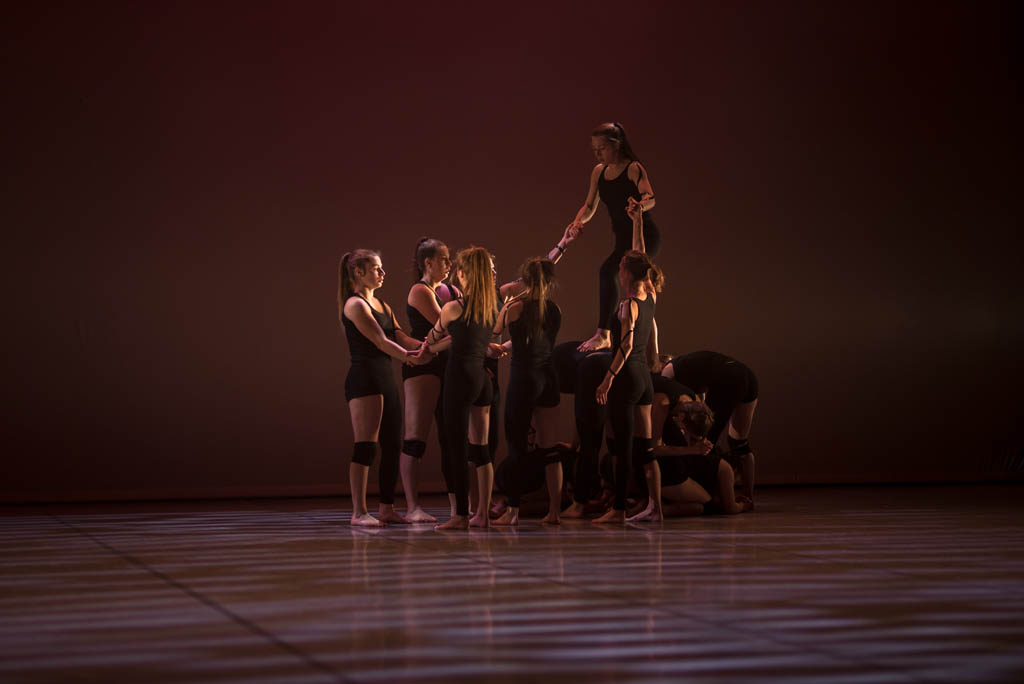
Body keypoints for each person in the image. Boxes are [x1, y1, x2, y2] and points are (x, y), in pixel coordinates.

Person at [338, 249, 428, 526]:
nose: (383, 273)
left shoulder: (382, 305)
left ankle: (386, 508)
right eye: (377, 268)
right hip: (365, 379)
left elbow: (400, 337)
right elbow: (380, 341)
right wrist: (411, 358)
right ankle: (359, 512)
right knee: (366, 447)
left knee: (392, 445)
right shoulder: (355, 305)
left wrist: (430, 346)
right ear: (358, 272)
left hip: (385, 378)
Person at [421, 247, 505, 530]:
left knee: (456, 447)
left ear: (463, 273)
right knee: (481, 450)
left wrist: (431, 343)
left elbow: (433, 339)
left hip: (460, 379)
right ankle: (483, 514)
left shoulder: (453, 308)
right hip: (483, 380)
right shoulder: (492, 306)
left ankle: (460, 516)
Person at [567, 122, 660, 353]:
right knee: (629, 285)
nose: (597, 154)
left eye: (602, 149)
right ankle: (613, 337)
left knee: (633, 286)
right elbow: (589, 206)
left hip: (643, 236)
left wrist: (640, 206)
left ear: (617, 145)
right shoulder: (599, 172)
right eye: (594, 150)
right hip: (622, 240)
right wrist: (577, 221)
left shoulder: (633, 168)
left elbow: (650, 197)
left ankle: (606, 335)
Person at [491, 257, 563, 526]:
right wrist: (509, 346)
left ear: (525, 280)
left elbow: (495, 330)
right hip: (548, 377)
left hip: (525, 379)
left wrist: (505, 307)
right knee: (551, 449)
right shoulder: (554, 309)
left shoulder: (515, 307)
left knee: (516, 444)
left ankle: (512, 512)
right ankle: (554, 512)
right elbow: (531, 339)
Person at [593, 250, 661, 523]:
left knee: (622, 448)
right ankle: (656, 507)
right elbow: (641, 253)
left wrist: (607, 379)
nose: (618, 273)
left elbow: (627, 345)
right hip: (644, 379)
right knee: (646, 449)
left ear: (628, 274)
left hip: (627, 377)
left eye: (621, 268)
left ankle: (618, 509)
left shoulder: (628, 305)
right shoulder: (651, 296)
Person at [399, 238, 461, 523]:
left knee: (450, 438)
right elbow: (448, 326)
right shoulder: (420, 291)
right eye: (444, 259)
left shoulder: (449, 290)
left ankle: (457, 507)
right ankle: (413, 507)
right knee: (415, 439)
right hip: (424, 367)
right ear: (428, 262)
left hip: (446, 365)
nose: (449, 264)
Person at [661, 351, 759, 501]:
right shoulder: (693, 369)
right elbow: (700, 405)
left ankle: (713, 494)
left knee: (705, 441)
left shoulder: (669, 370)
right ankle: (748, 496)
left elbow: (665, 396)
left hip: (730, 378)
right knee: (739, 443)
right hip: (747, 376)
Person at [654, 392, 753, 516]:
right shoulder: (725, 468)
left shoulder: (706, 464)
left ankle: (658, 507)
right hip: (672, 477)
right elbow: (730, 508)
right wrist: (743, 505)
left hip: (665, 477)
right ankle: (659, 510)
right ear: (735, 470)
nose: (734, 485)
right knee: (706, 506)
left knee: (700, 507)